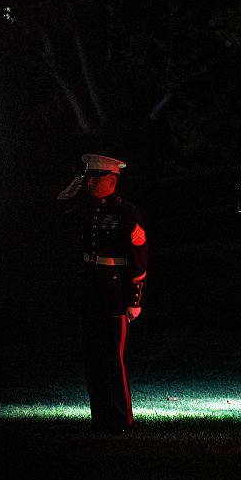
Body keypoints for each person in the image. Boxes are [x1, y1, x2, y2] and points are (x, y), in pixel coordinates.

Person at [57, 153, 148, 433]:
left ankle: (122, 419)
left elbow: (139, 258)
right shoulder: (85, 208)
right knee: (92, 357)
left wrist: (134, 300)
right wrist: (77, 180)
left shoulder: (125, 212)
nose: (91, 183)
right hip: (91, 288)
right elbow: (59, 206)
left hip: (113, 290)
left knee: (113, 359)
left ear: (112, 180)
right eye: (89, 177)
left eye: (96, 178)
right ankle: (100, 418)